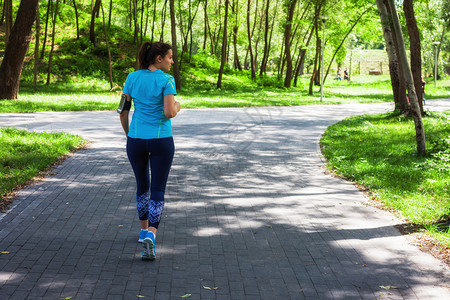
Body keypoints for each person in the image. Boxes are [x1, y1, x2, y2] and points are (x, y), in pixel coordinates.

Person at [119, 41, 181, 261]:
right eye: (170, 57)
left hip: (136, 140)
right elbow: (168, 112)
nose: (172, 61)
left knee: (141, 185)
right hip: (161, 140)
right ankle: (152, 236)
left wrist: (129, 135)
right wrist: (178, 106)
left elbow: (122, 113)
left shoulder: (131, 78)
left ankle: (143, 231)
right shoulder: (167, 80)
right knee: (158, 189)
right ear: (158, 59)